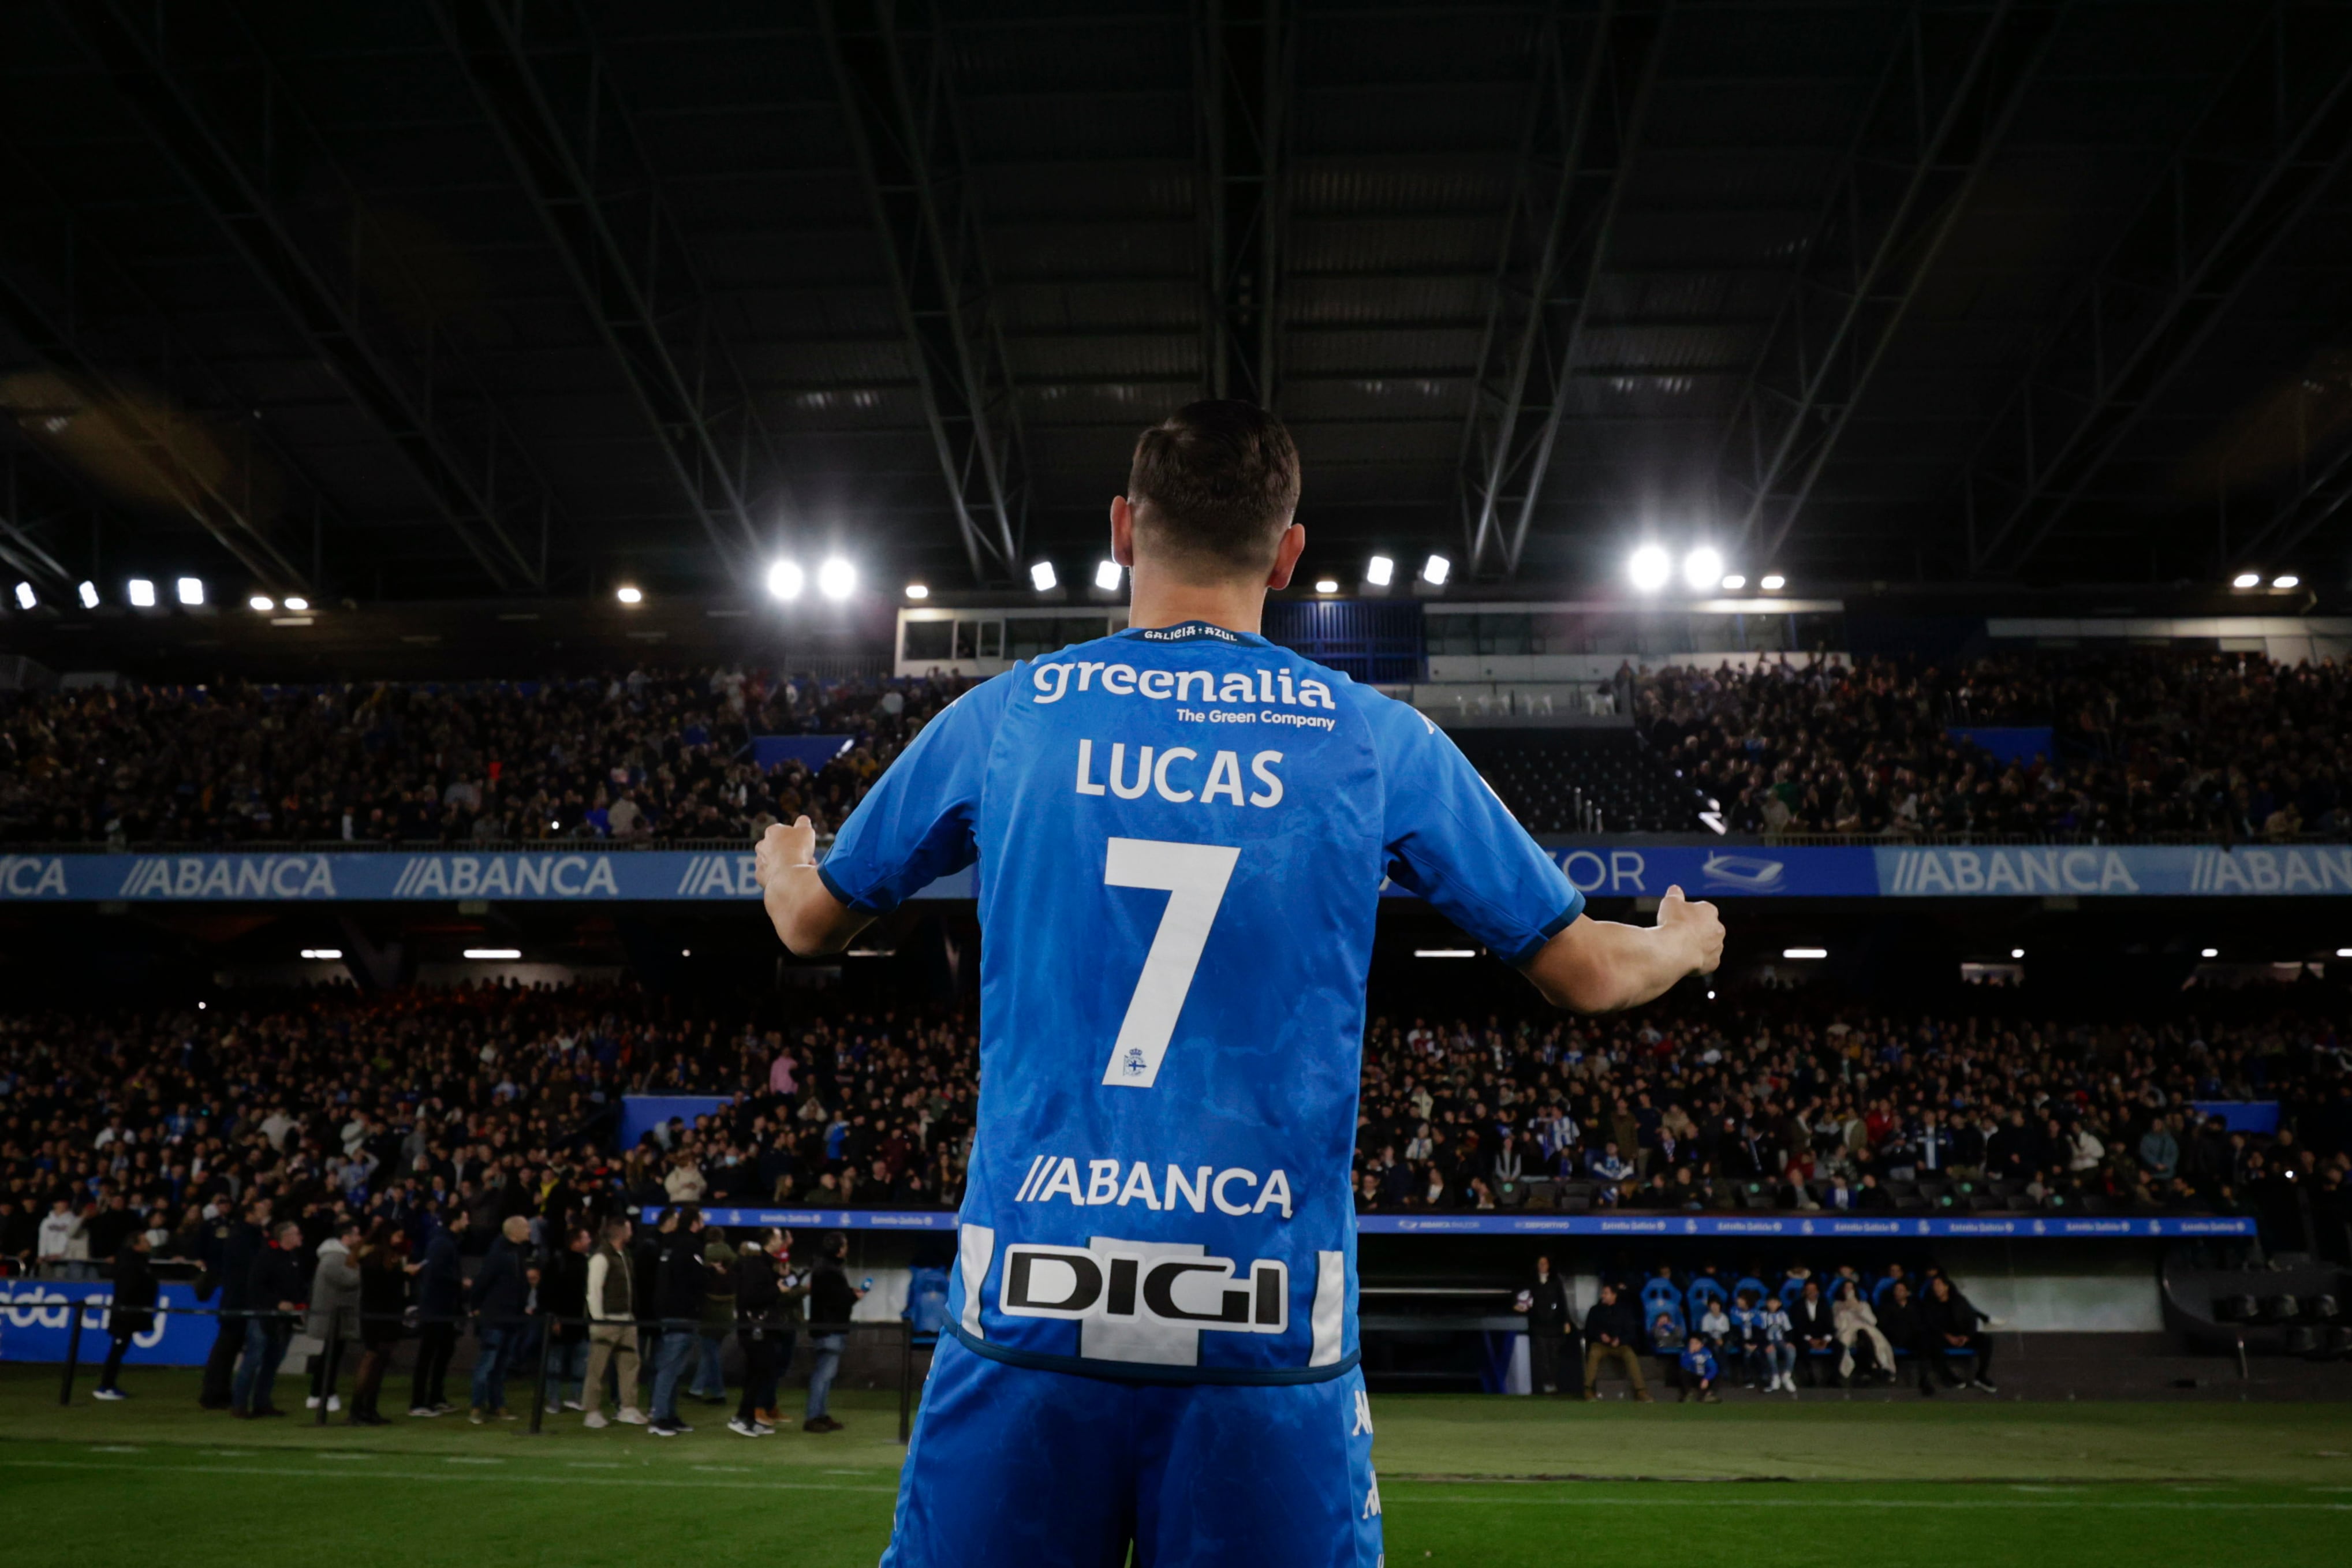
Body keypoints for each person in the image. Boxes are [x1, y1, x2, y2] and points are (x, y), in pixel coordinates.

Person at [753, 398, 1718, 1563]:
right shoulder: (1373, 737)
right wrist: (1682, 941)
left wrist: (788, 857)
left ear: (1122, 528)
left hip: (1027, 1312)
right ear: (1289, 549)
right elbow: (1587, 971)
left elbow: (810, 925)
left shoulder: (1008, 716)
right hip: (1265, 1334)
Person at [233, 1220, 307, 1418]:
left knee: (273, 1361)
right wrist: (277, 1303)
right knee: (253, 1359)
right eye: (297, 1233)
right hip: (263, 1315)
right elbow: (255, 1287)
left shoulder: (293, 1257)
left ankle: (262, 1402)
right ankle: (239, 1405)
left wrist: (300, 1307)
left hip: (284, 1319)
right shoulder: (266, 1257)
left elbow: (297, 1287)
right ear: (286, 1237)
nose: (301, 1237)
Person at [199, 1196, 267, 1409]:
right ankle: (213, 1393)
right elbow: (247, 1269)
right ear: (249, 1214)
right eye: (260, 1210)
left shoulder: (245, 1234)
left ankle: (219, 1391)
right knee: (226, 1347)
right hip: (237, 1300)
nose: (264, 1213)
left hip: (238, 1299)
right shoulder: (241, 1236)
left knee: (228, 1347)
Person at [583, 1217, 648, 1429]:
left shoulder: (624, 1255)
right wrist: (599, 1320)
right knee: (597, 1368)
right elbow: (594, 1292)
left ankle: (628, 1408)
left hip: (627, 1320)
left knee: (630, 1364)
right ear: (619, 1232)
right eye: (628, 1228)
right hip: (608, 1321)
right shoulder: (601, 1258)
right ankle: (591, 1411)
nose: (632, 1231)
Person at [648, 1205, 707, 1436]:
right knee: (670, 1368)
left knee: (671, 1367)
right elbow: (696, 1278)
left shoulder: (668, 1243)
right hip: (682, 1312)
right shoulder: (690, 1245)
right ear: (694, 1223)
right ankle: (660, 1417)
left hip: (666, 1311)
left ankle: (668, 1415)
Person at [468, 1214, 531, 1423]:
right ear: (514, 1232)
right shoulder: (499, 1254)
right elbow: (482, 1281)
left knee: (500, 1366)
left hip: (511, 1319)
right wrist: (475, 1306)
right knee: (488, 1364)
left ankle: (497, 1405)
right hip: (496, 1318)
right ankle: (477, 1407)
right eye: (526, 1227)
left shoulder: (517, 1253)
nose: (530, 1231)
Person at [348, 1222, 409, 1427]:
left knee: (378, 1361)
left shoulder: (380, 1255)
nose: (399, 1241)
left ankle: (368, 1408)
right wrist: (404, 1274)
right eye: (397, 1236)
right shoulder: (375, 1257)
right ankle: (359, 1410)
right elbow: (380, 1286)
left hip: (384, 1314)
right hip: (377, 1315)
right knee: (372, 1358)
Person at [803, 1230, 864, 1433]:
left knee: (825, 1375)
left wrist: (849, 1293)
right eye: (845, 1245)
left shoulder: (824, 1267)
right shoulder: (830, 1271)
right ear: (839, 1250)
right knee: (823, 1375)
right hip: (830, 1329)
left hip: (825, 1327)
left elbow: (833, 1296)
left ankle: (820, 1415)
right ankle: (813, 1417)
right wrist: (854, 1297)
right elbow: (839, 1301)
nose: (847, 1249)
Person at [409, 1204, 464, 1417]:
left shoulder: (446, 1241)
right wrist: (460, 1282)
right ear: (455, 1221)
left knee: (443, 1352)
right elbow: (437, 1273)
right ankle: (418, 1402)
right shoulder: (442, 1243)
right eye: (465, 1218)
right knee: (429, 1354)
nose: (468, 1222)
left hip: (443, 1308)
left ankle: (435, 1397)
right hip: (436, 1308)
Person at [730, 1233, 785, 1437]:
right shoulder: (756, 1266)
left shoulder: (764, 1265)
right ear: (770, 1241)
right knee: (756, 1371)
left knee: (759, 1371)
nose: (782, 1241)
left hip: (760, 1327)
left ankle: (748, 1417)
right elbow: (751, 1297)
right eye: (779, 1237)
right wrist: (777, 1290)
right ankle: (743, 1418)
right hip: (755, 1328)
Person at [304, 1221, 362, 1413]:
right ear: (346, 1238)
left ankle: (316, 1393)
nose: (358, 1239)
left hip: (336, 1317)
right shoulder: (334, 1259)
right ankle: (327, 1394)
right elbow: (350, 1280)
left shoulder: (335, 1257)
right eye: (355, 1235)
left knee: (331, 1354)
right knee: (331, 1356)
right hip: (333, 1317)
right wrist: (362, 1268)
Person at [92, 1231, 158, 1401]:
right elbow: (128, 1289)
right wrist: (128, 1310)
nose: (148, 1243)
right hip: (125, 1314)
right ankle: (105, 1386)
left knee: (119, 1349)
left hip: (128, 1312)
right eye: (144, 1241)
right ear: (136, 1245)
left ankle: (109, 1385)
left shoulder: (135, 1261)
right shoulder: (131, 1263)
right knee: (117, 1349)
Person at [542, 1224, 593, 1414]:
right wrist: (553, 1318)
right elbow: (547, 1292)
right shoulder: (558, 1261)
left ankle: (576, 1397)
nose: (589, 1241)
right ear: (576, 1242)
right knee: (555, 1362)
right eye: (586, 1237)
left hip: (580, 1323)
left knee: (581, 1363)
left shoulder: (587, 1262)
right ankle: (553, 1400)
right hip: (561, 1322)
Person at [1921, 1276, 1998, 1394]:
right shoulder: (1930, 1304)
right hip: (1943, 1338)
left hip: (1962, 1338)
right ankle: (1948, 1377)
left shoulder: (1959, 1301)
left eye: (1939, 1284)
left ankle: (1981, 1376)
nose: (1936, 1288)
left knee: (1986, 1339)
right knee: (1930, 1342)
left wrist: (1966, 1336)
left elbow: (1971, 1320)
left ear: (1946, 1287)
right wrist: (1948, 1337)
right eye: (1934, 1285)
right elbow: (1931, 1325)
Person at [1580, 1283, 1655, 1402]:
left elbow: (1631, 1332)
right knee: (1594, 1354)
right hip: (1601, 1345)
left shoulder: (1625, 1311)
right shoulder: (1595, 1310)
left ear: (1614, 1295)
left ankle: (1641, 1391)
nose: (1603, 1296)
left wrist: (1620, 1340)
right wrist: (1601, 1336)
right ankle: (1588, 1389)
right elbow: (1590, 1329)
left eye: (1606, 1293)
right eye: (1603, 1293)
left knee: (1630, 1355)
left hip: (1619, 1346)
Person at [1514, 1255, 1574, 1395]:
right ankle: (1547, 1384)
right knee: (1542, 1356)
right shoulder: (1531, 1281)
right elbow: (1520, 1297)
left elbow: (1563, 1301)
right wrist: (1517, 1305)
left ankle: (1552, 1382)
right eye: (1540, 1263)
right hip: (1538, 1325)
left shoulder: (1556, 1281)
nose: (1542, 1266)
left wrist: (1566, 1321)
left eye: (1545, 1263)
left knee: (1553, 1356)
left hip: (1554, 1325)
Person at [1832, 1278, 1894, 1384]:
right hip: (1848, 1332)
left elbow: (1873, 1321)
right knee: (1855, 1337)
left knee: (1866, 1336)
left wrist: (1858, 1308)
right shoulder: (1837, 1305)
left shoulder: (1863, 1305)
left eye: (1851, 1288)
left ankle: (1878, 1366)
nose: (1849, 1291)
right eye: (1846, 1288)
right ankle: (1875, 1365)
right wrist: (1844, 1309)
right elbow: (1837, 1326)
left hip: (1866, 1331)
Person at [1789, 1278, 1835, 1386]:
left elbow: (1830, 1326)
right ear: (1804, 1292)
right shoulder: (1797, 1306)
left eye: (1813, 1290)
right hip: (1804, 1338)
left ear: (1818, 1291)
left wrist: (1826, 1340)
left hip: (1823, 1337)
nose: (1811, 1292)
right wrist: (1810, 1340)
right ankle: (1810, 1379)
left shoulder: (1825, 1305)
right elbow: (1797, 1326)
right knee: (1803, 1348)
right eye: (1808, 1290)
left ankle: (1833, 1379)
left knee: (1839, 1348)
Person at [1757, 1294, 1796, 1393]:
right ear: (1767, 1303)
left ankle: (1787, 1376)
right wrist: (1767, 1344)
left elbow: (1789, 1330)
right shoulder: (1763, 1315)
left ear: (1779, 1304)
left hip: (1781, 1341)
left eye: (1775, 1303)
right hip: (1768, 1341)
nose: (1772, 1305)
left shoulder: (1783, 1315)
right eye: (1770, 1302)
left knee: (1792, 1350)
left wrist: (1789, 1342)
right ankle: (1775, 1376)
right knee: (1771, 1352)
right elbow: (1761, 1332)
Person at [1675, 1332, 1721, 1403]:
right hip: (1693, 1376)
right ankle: (1688, 1394)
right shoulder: (1685, 1353)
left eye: (1696, 1343)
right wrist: (1690, 1354)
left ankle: (1709, 1395)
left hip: (1703, 1376)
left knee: (1718, 1375)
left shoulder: (1706, 1353)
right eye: (1692, 1343)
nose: (1693, 1345)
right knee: (1682, 1372)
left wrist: (1706, 1379)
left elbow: (1713, 1368)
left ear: (1701, 1345)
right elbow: (1683, 1365)